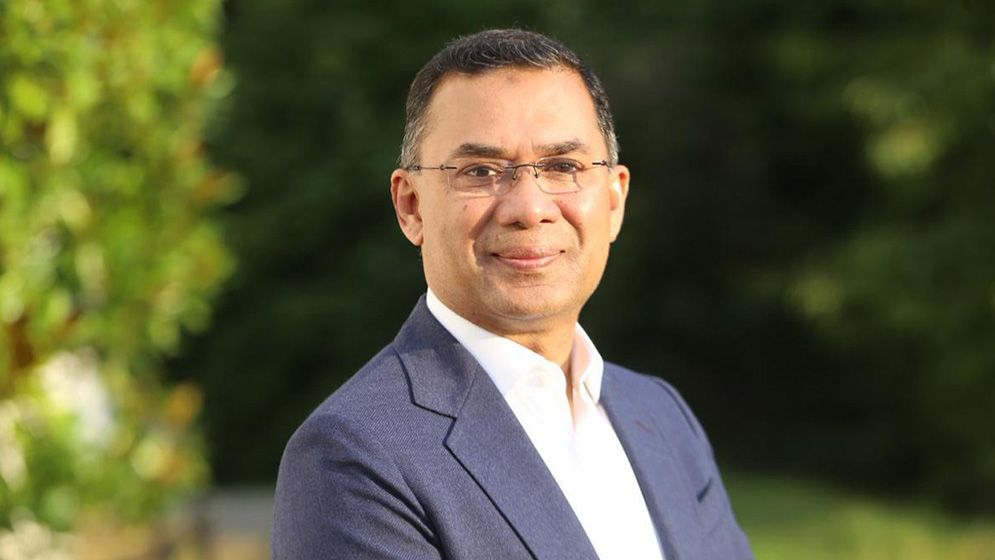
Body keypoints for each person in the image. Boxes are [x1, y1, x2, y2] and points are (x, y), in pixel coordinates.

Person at [273, 28, 753, 560]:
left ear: (614, 201)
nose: (529, 208)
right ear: (412, 207)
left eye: (563, 167)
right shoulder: (355, 457)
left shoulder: (662, 416)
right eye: (480, 171)